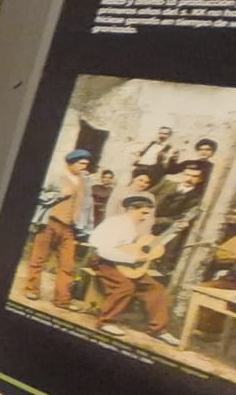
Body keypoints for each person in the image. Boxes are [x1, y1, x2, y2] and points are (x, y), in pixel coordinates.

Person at [89, 195, 183, 346]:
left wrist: (174, 231)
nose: (145, 217)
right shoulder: (114, 223)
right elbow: (103, 250)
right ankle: (105, 322)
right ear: (132, 209)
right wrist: (132, 259)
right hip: (104, 261)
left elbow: (143, 246)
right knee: (125, 287)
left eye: (147, 214)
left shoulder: (132, 225)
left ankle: (159, 330)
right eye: (143, 213)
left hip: (126, 264)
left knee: (156, 289)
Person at [21, 148, 93, 307]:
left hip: (69, 228)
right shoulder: (55, 175)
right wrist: (59, 195)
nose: (84, 167)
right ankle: (32, 289)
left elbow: (87, 205)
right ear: (71, 162)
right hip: (50, 222)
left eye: (86, 164)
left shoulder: (84, 181)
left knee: (68, 264)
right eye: (81, 163)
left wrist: (83, 226)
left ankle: (62, 300)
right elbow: (38, 195)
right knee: (38, 258)